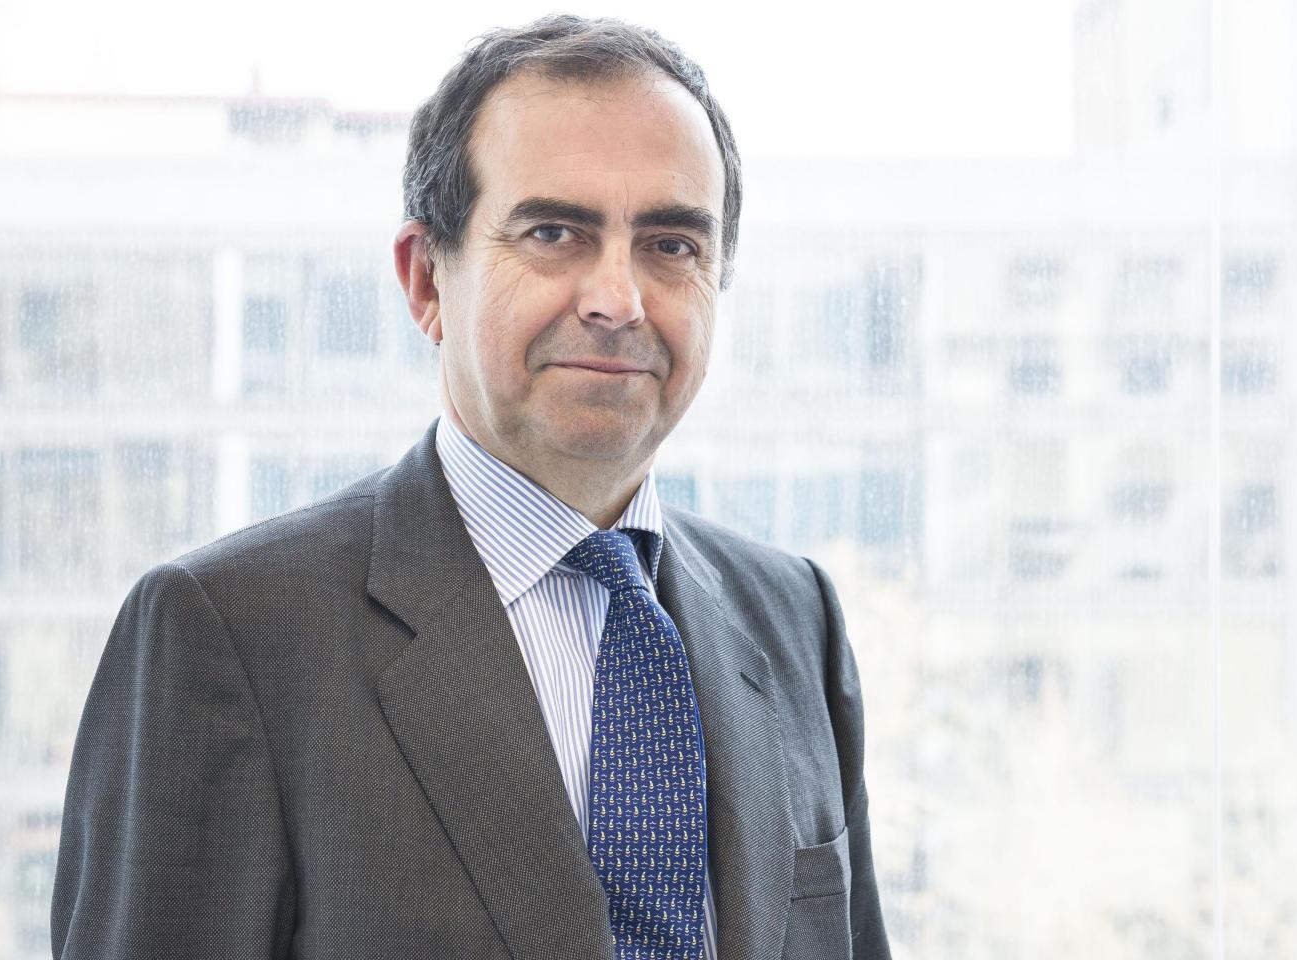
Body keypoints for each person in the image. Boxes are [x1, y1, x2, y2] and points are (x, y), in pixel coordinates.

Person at [51, 13, 889, 960]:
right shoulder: (227, 633)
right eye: (554, 233)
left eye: (671, 245)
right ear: (425, 281)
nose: (617, 299)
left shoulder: (795, 618)